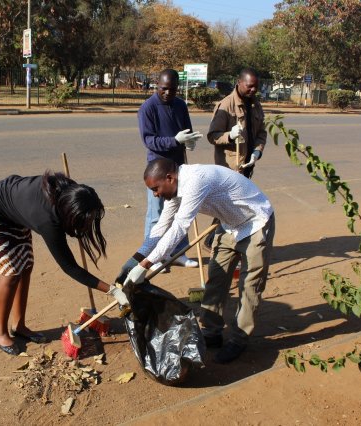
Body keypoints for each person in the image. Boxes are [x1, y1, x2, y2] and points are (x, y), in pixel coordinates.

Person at [118, 158, 275, 364]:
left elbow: (180, 227)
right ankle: (212, 332)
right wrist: (136, 260)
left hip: (256, 223)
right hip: (229, 225)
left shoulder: (195, 181)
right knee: (216, 280)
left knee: (250, 286)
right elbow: (161, 227)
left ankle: (239, 339)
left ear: (169, 178)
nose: (155, 194)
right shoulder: (174, 191)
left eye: (156, 188)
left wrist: (145, 266)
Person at [0, 172, 128, 356]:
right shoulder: (48, 221)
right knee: (12, 272)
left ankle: (19, 326)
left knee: (26, 266)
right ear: (70, 215)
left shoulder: (74, 192)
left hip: (15, 214)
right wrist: (113, 291)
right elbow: (70, 267)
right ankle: (0, 332)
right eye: (84, 221)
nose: (88, 226)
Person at [137, 68, 203, 269]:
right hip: (157, 169)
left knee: (182, 210)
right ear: (157, 85)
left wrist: (189, 141)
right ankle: (152, 256)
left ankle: (178, 252)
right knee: (156, 214)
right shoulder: (148, 108)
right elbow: (149, 140)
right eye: (164, 89)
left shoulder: (180, 104)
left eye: (172, 90)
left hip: (179, 168)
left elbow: (187, 130)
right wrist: (174, 141)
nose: (167, 93)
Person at [207, 68, 267, 179]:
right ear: (239, 82)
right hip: (229, 171)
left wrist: (257, 151)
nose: (253, 90)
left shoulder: (256, 105)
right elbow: (212, 136)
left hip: (247, 166)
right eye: (249, 86)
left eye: (256, 86)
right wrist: (230, 136)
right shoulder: (226, 105)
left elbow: (261, 133)